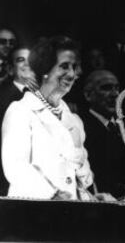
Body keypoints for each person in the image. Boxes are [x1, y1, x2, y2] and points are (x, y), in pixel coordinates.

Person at [1, 36, 95, 200]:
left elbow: (81, 180)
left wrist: (89, 197)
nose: (72, 74)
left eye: (74, 67)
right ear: (45, 69)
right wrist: (54, 196)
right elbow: (16, 169)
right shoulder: (20, 111)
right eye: (64, 66)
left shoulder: (74, 120)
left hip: (71, 215)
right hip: (31, 213)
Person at [81, 70, 125, 197]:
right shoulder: (82, 126)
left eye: (117, 88)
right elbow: (105, 162)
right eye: (106, 88)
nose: (115, 94)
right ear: (88, 95)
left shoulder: (123, 125)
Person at [0, 47, 36, 195]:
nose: (27, 64)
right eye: (20, 60)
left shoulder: (43, 95)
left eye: (31, 60)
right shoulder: (2, 97)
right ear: (10, 69)